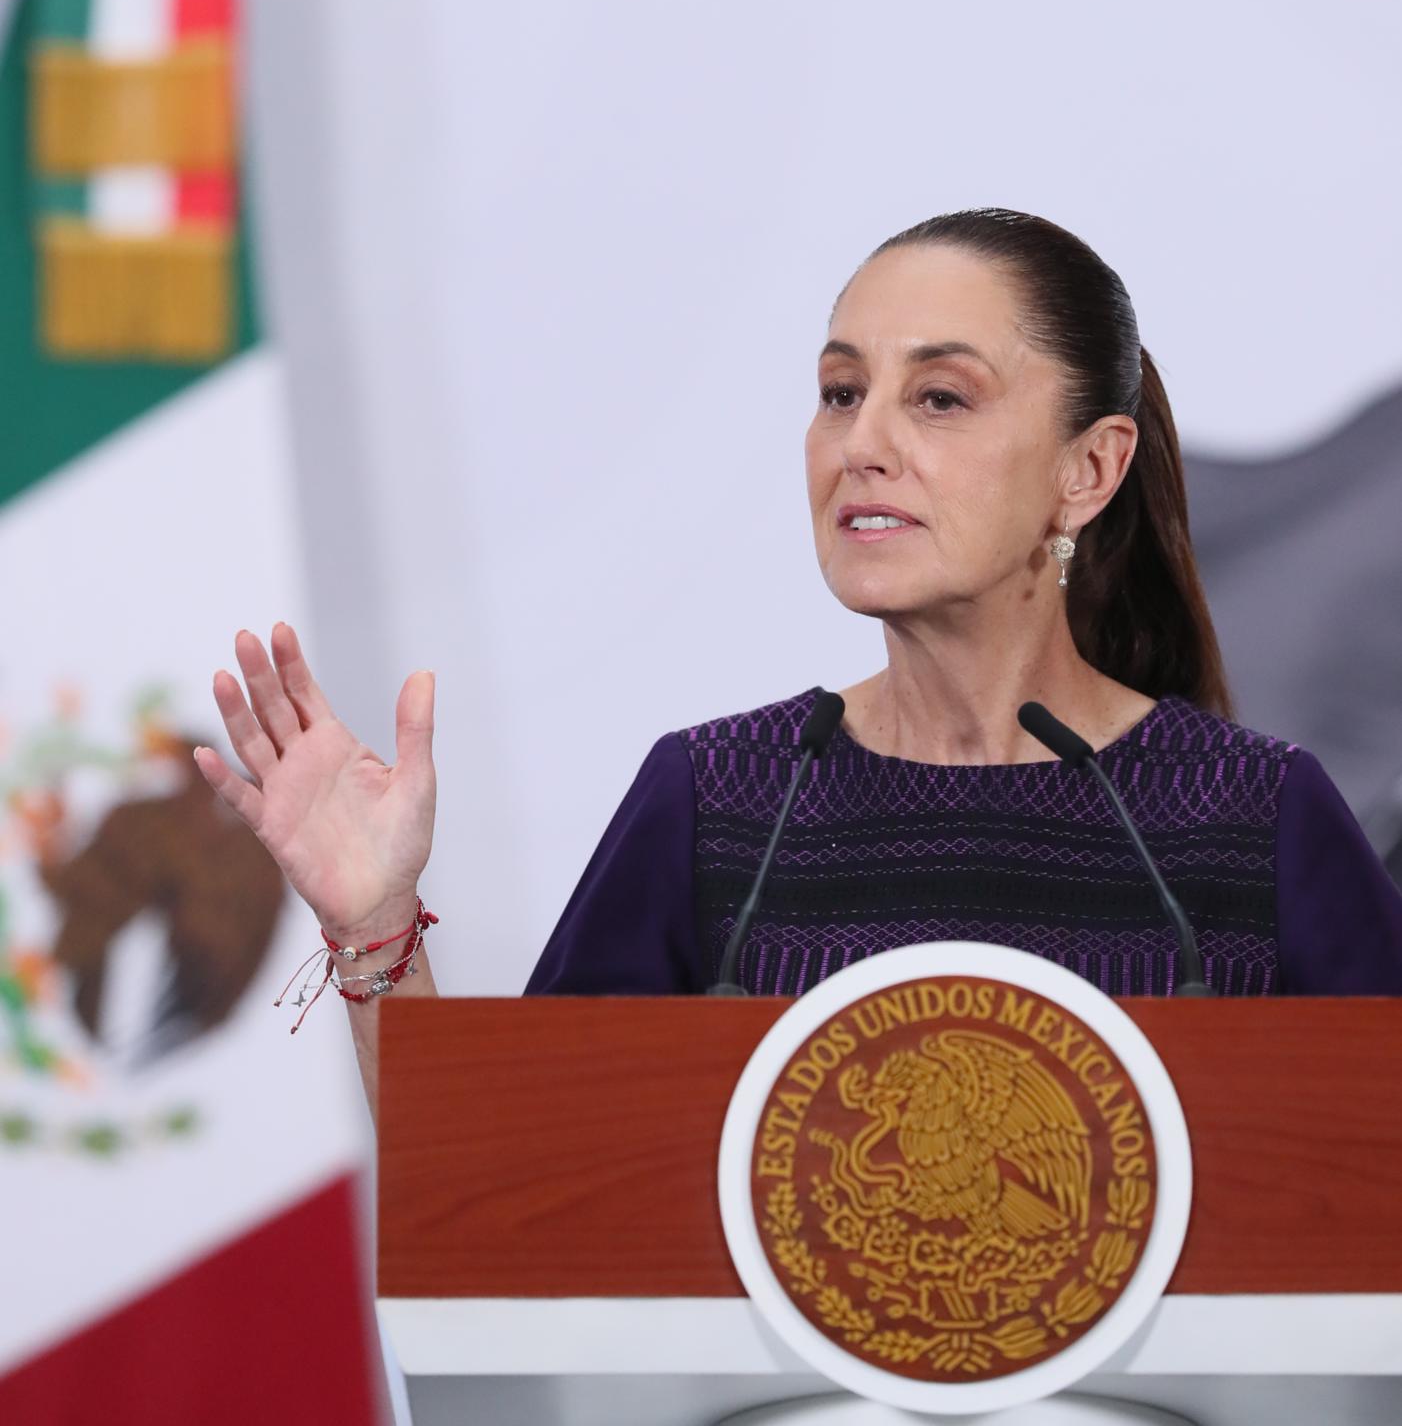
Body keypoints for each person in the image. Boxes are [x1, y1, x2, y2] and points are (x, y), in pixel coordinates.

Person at [193, 207, 1402, 1119]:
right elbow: (504, 1194)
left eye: (938, 398)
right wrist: (375, 923)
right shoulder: (716, 802)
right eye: (838, 392)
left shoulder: (1255, 815)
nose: (860, 444)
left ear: (1088, 469)